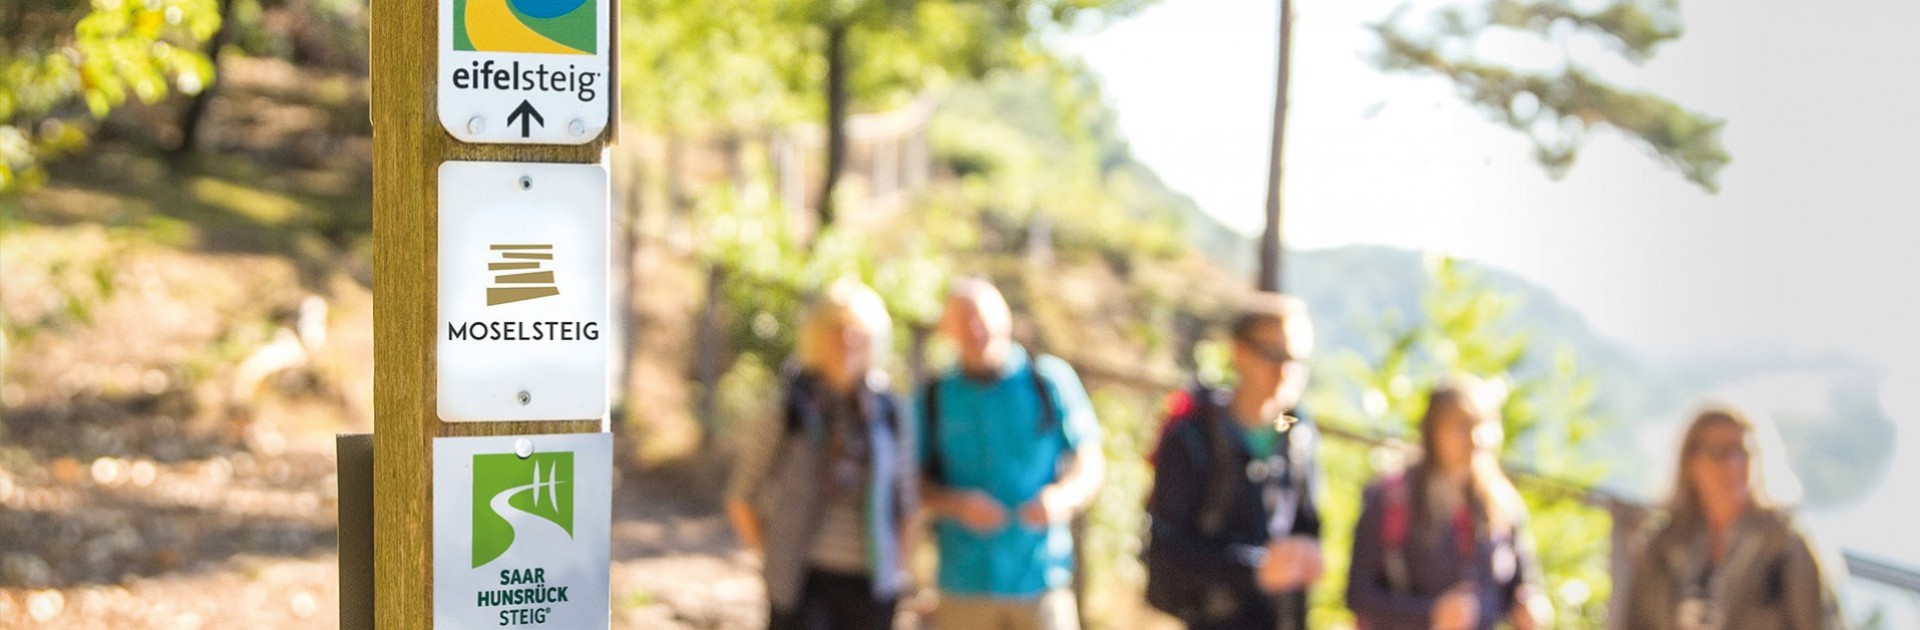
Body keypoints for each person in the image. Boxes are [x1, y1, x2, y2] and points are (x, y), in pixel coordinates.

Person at [916, 277, 1105, 630]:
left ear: (1004, 319)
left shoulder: (1048, 381)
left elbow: (1089, 460)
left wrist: (1062, 497)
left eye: (982, 318)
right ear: (949, 331)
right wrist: (955, 504)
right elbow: (913, 480)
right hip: (963, 583)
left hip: (1040, 579)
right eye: (963, 320)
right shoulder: (935, 396)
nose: (975, 330)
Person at [725, 279, 915, 630]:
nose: (847, 342)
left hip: (871, 584)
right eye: (837, 330)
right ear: (818, 335)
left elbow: (905, 502)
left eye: (857, 331)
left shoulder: (889, 410)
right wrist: (772, 556)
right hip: (801, 581)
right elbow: (742, 496)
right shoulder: (790, 406)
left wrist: (898, 569)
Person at [1142, 293, 1325, 630]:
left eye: (1297, 360)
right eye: (1273, 354)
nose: (1286, 371)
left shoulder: (1297, 432)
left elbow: (1306, 529)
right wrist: (1254, 568)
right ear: (1238, 352)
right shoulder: (1192, 436)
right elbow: (1166, 552)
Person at [1347, 376, 1553, 630]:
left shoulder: (1503, 503)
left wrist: (1530, 605)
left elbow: (1522, 584)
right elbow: (1358, 595)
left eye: (1485, 424)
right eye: (1461, 425)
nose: (1477, 438)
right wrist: (1431, 613)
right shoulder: (1391, 499)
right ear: (1433, 431)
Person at [1624, 405, 1843, 630]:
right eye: (1720, 452)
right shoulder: (1664, 543)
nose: (1734, 465)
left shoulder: (1787, 544)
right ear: (1692, 462)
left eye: (1744, 452)